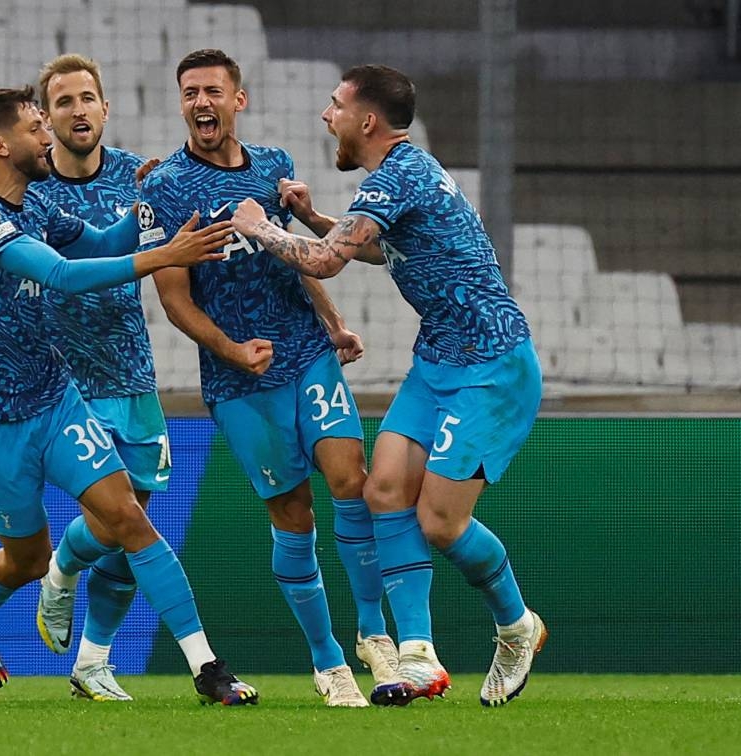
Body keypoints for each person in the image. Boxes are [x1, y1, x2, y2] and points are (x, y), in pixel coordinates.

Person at [230, 63, 547, 708]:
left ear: (366, 120)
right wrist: (315, 215)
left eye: (335, 105)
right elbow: (374, 248)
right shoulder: (403, 174)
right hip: (439, 360)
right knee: (382, 492)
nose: (327, 116)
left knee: (437, 520)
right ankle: (420, 656)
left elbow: (327, 265)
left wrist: (258, 226)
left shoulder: (398, 175)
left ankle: (517, 626)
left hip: (491, 364)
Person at [0, 85, 258, 706]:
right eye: (34, 127)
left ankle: (207, 666)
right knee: (25, 561)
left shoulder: (36, 207)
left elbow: (104, 245)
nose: (46, 135)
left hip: (54, 400)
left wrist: (149, 209)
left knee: (129, 519)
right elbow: (61, 274)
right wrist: (164, 255)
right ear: (0, 145)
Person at [138, 49, 398, 708]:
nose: (202, 103)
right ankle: (328, 661)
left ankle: (375, 638)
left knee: (352, 481)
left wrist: (334, 323)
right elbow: (173, 297)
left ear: (238, 101)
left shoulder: (276, 167)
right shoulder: (165, 186)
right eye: (191, 92)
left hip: (306, 352)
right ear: (182, 104)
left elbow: (298, 258)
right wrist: (229, 349)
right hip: (240, 381)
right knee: (294, 516)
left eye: (214, 91)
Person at [28, 53, 166, 703]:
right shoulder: (30, 193)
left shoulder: (138, 175)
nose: (78, 109)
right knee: (117, 518)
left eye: (88, 98)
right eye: (64, 102)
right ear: (46, 117)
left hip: (133, 372)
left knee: (131, 526)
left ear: (105, 109)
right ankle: (59, 572)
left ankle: (92, 662)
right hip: (66, 381)